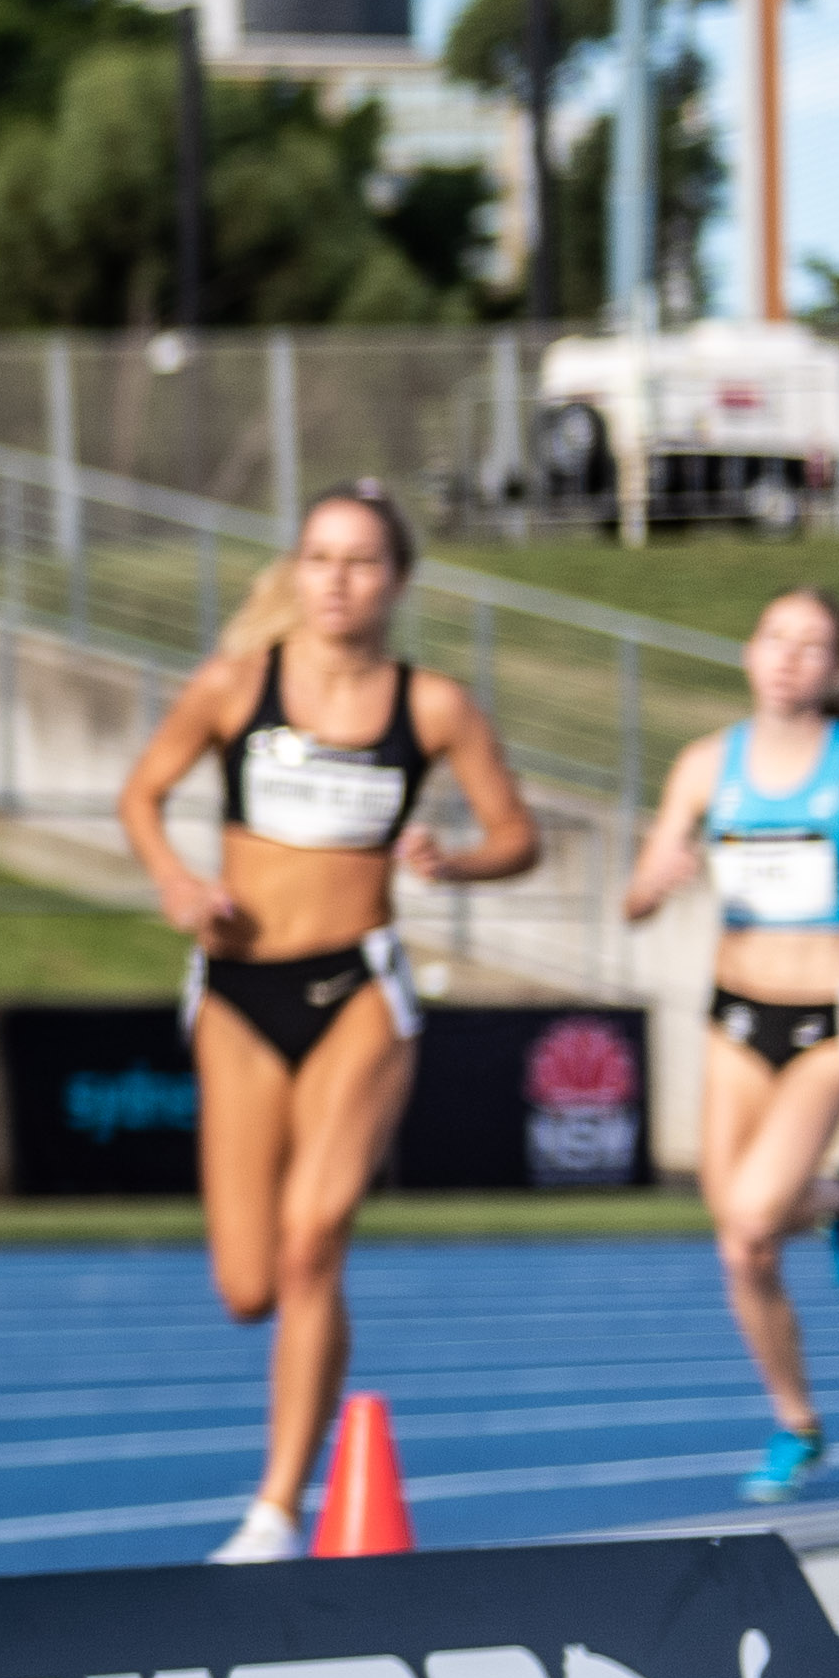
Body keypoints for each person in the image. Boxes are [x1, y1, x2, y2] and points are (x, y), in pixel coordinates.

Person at [112, 481, 540, 1563]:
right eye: (317, 558)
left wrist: (456, 858)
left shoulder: (430, 706)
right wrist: (173, 881)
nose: (335, 580)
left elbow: (517, 835)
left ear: (396, 580)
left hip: (359, 990)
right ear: (293, 572)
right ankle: (287, 1465)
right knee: (248, 1284)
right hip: (239, 992)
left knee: (312, 1246)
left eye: (358, 561)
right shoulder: (233, 685)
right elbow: (139, 795)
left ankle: (274, 1509)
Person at [620, 584, 839, 1504]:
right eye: (776, 637)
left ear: (835, 668)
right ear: (751, 653)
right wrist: (661, 877)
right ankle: (798, 1422)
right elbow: (634, 900)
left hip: (828, 1024)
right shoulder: (705, 765)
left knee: (756, 1214)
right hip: (737, 1018)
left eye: (813, 644)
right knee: (742, 1246)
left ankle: (834, 1194)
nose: (791, 656)